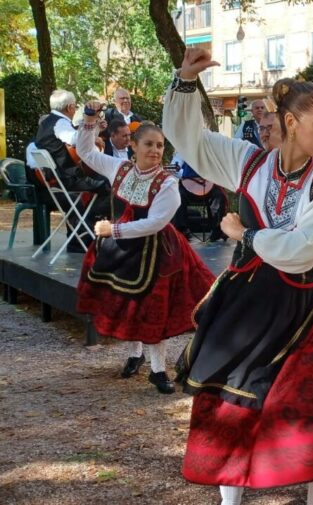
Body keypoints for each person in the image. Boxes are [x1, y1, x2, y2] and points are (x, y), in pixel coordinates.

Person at [165, 48, 313, 505]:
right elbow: (191, 142)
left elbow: (301, 253)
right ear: (291, 123)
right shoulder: (249, 163)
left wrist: (247, 234)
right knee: (231, 407)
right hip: (249, 303)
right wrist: (182, 82)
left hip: (305, 308)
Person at [74, 100, 215, 394]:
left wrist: (112, 229)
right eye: (148, 144)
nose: (154, 150)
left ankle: (158, 370)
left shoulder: (167, 183)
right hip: (125, 248)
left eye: (160, 146)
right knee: (129, 303)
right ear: (133, 146)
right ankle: (135, 355)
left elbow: (156, 222)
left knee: (153, 309)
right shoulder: (119, 168)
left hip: (157, 252)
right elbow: (86, 152)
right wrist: (89, 118)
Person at [32, 89, 111, 252]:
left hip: (55, 178)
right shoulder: (59, 123)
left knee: (98, 183)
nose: (75, 110)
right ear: (69, 107)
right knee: (110, 185)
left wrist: (94, 128)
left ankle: (79, 236)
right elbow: (75, 139)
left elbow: (79, 139)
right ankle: (91, 229)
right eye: (75, 106)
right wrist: (92, 130)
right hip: (67, 178)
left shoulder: (45, 123)